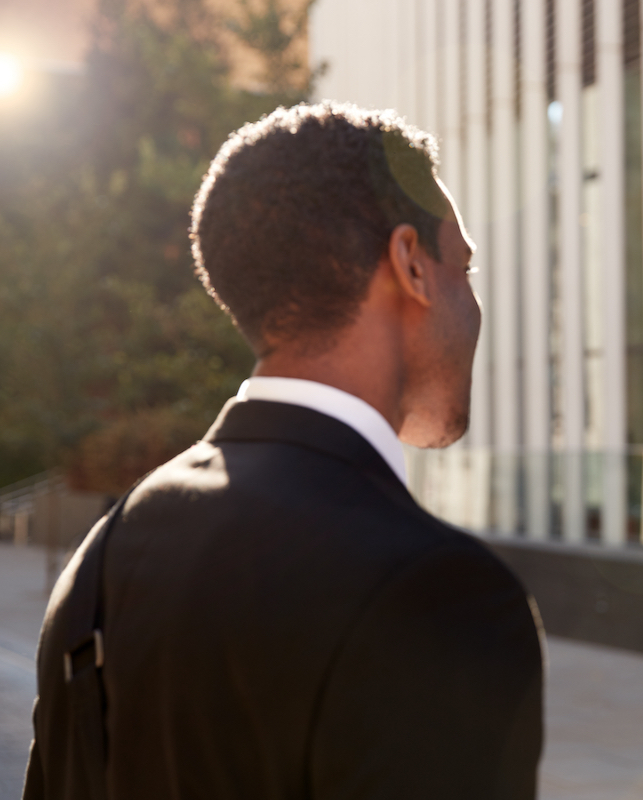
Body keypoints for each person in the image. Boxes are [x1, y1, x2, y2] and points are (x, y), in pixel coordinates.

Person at [24, 103, 544, 799]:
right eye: (465, 269)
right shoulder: (443, 594)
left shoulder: (100, 563)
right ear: (410, 266)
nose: (473, 306)